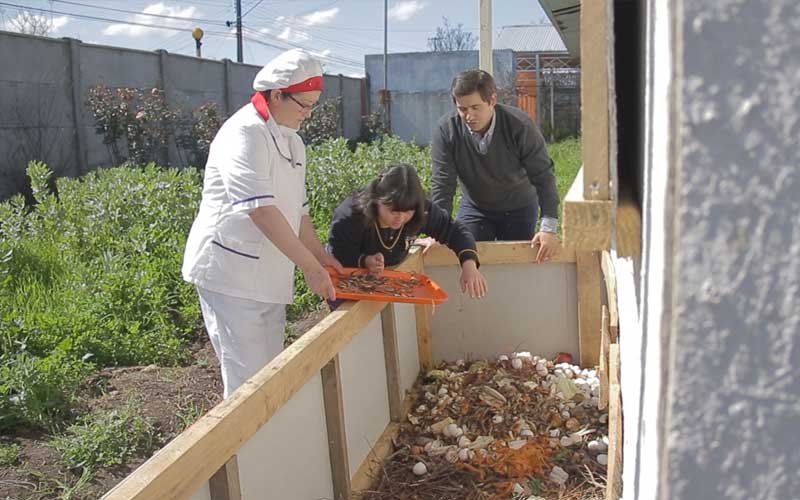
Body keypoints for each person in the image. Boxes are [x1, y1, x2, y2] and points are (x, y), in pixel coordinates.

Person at [182, 49, 343, 398]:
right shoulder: (244, 133)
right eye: (303, 105)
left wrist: (321, 256)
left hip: (267, 271)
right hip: (231, 273)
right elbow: (261, 211)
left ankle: (266, 445)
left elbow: (297, 210)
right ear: (275, 94)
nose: (308, 114)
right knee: (247, 382)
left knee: (268, 370)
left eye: (314, 105)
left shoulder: (292, 140)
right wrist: (310, 268)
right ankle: (241, 452)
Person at [430, 69, 561, 263]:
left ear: (492, 100)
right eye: (462, 109)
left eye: (476, 107)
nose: (469, 116)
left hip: (520, 206)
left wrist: (548, 229)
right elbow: (443, 183)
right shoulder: (446, 131)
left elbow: (543, 176)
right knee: (464, 256)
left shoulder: (520, 126)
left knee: (517, 264)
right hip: (476, 207)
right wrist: (437, 231)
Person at [328, 164, 487, 299]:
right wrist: (364, 261)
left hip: (388, 279)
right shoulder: (350, 215)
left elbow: (455, 231)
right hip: (345, 279)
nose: (400, 218)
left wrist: (469, 265)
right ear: (377, 200)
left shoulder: (420, 211)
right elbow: (338, 256)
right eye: (393, 211)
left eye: (407, 212)